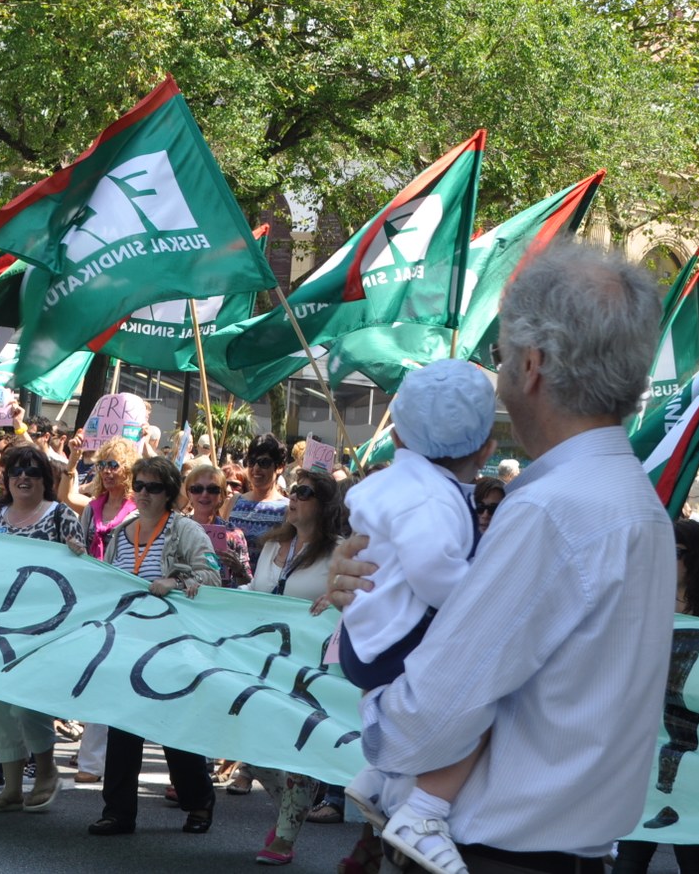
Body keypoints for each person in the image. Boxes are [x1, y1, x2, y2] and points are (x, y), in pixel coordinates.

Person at [328, 240, 673, 874]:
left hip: (496, 852)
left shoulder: (552, 509)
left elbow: (433, 714)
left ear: (533, 365)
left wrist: (369, 680)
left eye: (502, 357)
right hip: (552, 850)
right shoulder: (628, 498)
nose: (501, 376)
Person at [339, 359, 498, 874]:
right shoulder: (430, 496)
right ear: (487, 448)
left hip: (368, 636)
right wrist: (483, 593)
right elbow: (433, 572)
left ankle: (379, 778)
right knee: (488, 694)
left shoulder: (398, 483)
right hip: (396, 639)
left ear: (397, 436)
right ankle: (425, 810)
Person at [70, 456, 220, 836]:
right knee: (123, 727)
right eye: (139, 486)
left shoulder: (185, 530)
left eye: (153, 487)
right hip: (127, 642)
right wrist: (82, 561)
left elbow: (213, 575)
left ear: (168, 492)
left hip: (171, 644)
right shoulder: (123, 533)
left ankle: (198, 800)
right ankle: (118, 812)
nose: (143, 493)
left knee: (172, 727)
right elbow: (109, 581)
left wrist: (176, 581)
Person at [0, 443, 77, 813]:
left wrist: (75, 550)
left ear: (45, 479)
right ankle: (11, 787)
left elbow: (81, 569)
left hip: (42, 627)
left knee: (27, 704)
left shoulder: (61, 515)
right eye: (16, 470)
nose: (24, 477)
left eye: (32, 470)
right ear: (6, 478)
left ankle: (47, 773)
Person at [614, 520, 699, 874]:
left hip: (695, 746)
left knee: (692, 850)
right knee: (632, 852)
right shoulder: (644, 604)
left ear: (697, 558)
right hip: (645, 742)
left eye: (674, 552)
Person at [243, 467, 345, 865]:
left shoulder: (340, 551)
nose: (294, 498)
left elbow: (360, 595)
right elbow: (255, 593)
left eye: (303, 492)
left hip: (310, 666)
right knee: (248, 742)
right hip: (264, 658)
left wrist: (338, 598)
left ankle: (284, 836)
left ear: (324, 505)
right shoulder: (272, 545)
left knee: (301, 747)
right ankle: (293, 803)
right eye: (293, 491)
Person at [61, 436, 139, 783]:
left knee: (113, 678)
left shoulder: (137, 509)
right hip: (92, 599)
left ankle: (96, 762)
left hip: (125, 601)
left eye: (114, 465)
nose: (107, 472)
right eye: (102, 465)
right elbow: (70, 509)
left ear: (128, 469)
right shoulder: (92, 507)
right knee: (92, 675)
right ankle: (93, 759)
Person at [181, 459, 250, 587]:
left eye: (212, 489)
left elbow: (248, 585)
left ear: (222, 496)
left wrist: (238, 569)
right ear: (189, 494)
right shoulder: (177, 529)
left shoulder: (234, 534)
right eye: (197, 489)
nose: (204, 494)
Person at [228, 433, 290, 568]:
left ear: (280, 467)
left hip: (265, 580)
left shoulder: (287, 508)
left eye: (264, 463)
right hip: (233, 580)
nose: (256, 468)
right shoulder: (235, 501)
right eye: (251, 461)